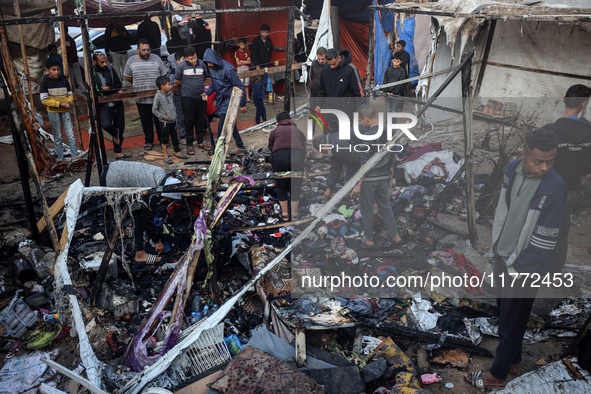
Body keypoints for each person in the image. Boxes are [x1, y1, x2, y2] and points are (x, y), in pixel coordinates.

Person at [464, 128, 566, 390]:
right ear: (523, 154)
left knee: (513, 321)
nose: (544, 167)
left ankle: (498, 374)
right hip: (503, 255)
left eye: (550, 161)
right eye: (538, 161)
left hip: (525, 266)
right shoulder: (511, 171)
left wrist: (520, 269)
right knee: (506, 312)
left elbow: (546, 239)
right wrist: (499, 250)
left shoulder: (554, 187)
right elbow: (505, 211)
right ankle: (513, 361)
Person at [542, 84, 591, 273]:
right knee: (561, 233)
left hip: (546, 187)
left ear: (564, 99)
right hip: (570, 189)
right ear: (584, 104)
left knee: (537, 226)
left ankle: (531, 268)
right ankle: (554, 273)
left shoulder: (549, 130)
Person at [100, 161, 185, 264]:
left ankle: (123, 232)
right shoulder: (151, 190)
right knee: (138, 215)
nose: (167, 200)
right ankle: (139, 254)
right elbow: (147, 218)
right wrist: (156, 241)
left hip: (113, 168)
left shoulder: (160, 174)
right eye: (168, 198)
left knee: (136, 209)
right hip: (112, 179)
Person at [350, 104, 401, 247]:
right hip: (383, 177)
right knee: (385, 206)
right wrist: (391, 166)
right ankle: (396, 236)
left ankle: (369, 240)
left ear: (366, 119)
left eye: (361, 121)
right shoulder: (389, 131)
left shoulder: (367, 136)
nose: (361, 124)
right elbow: (394, 150)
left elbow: (365, 162)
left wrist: (358, 184)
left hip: (369, 178)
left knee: (366, 209)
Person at [124, 38, 167, 151]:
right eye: (144, 50)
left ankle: (164, 141)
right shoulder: (131, 60)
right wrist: (137, 85)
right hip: (141, 99)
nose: (147, 52)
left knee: (160, 121)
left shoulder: (156, 58)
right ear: (138, 50)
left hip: (157, 98)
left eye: (148, 50)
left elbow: (164, 75)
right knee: (146, 121)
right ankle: (149, 141)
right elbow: (127, 76)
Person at [202, 48, 247, 154]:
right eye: (207, 62)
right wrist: (207, 93)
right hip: (220, 99)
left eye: (209, 62)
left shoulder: (228, 69)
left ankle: (218, 150)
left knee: (222, 125)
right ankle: (240, 145)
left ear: (214, 60)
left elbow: (239, 86)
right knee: (230, 124)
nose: (208, 65)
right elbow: (214, 83)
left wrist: (242, 104)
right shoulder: (213, 68)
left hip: (230, 99)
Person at [268, 112, 307, 221]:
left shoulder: (275, 131)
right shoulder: (298, 130)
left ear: (277, 122)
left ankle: (285, 214)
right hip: (297, 156)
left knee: (281, 186)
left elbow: (271, 147)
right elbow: (304, 146)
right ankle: (294, 214)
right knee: (295, 186)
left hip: (279, 157)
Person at [316, 48, 364, 133]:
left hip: (346, 111)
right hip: (330, 109)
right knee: (329, 137)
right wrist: (318, 104)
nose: (332, 66)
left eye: (333, 64)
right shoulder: (326, 69)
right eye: (329, 64)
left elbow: (359, 93)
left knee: (345, 139)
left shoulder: (350, 69)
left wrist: (359, 111)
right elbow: (322, 89)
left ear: (339, 58)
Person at [40, 58, 78, 160]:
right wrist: (60, 104)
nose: (56, 72)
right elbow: (44, 100)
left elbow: (70, 95)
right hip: (53, 112)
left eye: (58, 69)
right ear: (47, 70)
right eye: (53, 69)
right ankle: (61, 159)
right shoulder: (44, 82)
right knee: (58, 137)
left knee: (71, 135)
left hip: (65, 111)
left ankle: (75, 158)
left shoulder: (64, 80)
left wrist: (68, 102)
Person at [92, 53, 128, 160]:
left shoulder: (110, 69)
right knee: (106, 124)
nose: (104, 64)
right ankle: (114, 133)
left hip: (117, 104)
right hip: (104, 106)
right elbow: (96, 90)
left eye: (105, 61)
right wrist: (109, 90)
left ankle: (118, 152)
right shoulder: (92, 73)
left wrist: (108, 88)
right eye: (101, 62)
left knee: (120, 126)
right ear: (95, 62)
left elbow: (118, 84)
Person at [174, 46, 209, 155]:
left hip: (201, 97)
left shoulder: (202, 64)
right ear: (185, 58)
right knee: (188, 121)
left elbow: (205, 77)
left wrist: (198, 86)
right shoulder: (181, 66)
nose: (193, 60)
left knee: (200, 120)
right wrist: (186, 85)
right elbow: (176, 80)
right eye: (191, 59)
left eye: (194, 57)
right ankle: (189, 144)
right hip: (187, 97)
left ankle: (200, 141)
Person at [313, 132, 360, 200]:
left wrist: (359, 182)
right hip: (352, 161)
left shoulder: (340, 146)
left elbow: (361, 160)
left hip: (364, 158)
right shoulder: (332, 147)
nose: (322, 152)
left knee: (365, 183)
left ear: (324, 147)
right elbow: (335, 168)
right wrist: (329, 188)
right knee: (348, 183)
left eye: (321, 150)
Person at [152, 76, 186, 164]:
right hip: (165, 122)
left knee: (175, 137)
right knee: (165, 138)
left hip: (172, 120)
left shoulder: (170, 93)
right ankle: (165, 155)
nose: (171, 86)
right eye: (168, 84)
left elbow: (172, 104)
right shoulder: (158, 96)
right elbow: (154, 110)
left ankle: (177, 151)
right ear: (162, 87)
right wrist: (163, 116)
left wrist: (174, 113)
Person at [104, 21, 131, 88]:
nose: (116, 22)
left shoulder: (122, 28)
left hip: (124, 52)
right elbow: (106, 42)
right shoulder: (109, 29)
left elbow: (130, 38)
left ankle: (127, 83)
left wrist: (125, 35)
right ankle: (119, 84)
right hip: (115, 52)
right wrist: (108, 54)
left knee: (125, 68)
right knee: (116, 69)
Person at [169, 51, 186, 145]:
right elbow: (172, 83)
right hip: (178, 95)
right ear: (178, 61)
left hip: (187, 94)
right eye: (183, 59)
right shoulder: (173, 71)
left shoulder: (186, 69)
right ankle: (182, 136)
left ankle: (189, 133)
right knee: (180, 115)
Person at [63, 26, 84, 91]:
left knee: (77, 77)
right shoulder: (64, 40)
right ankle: (73, 90)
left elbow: (73, 51)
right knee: (71, 77)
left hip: (72, 61)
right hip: (69, 62)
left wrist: (71, 61)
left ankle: (83, 90)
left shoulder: (70, 40)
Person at [308, 47, 327, 112]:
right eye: (319, 59)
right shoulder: (314, 64)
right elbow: (311, 77)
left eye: (323, 59)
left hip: (325, 92)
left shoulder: (329, 65)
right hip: (315, 91)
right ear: (317, 55)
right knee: (313, 108)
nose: (320, 61)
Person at [234, 37, 251, 102]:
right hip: (240, 70)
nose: (243, 46)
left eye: (244, 45)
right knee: (240, 85)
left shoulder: (247, 52)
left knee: (246, 85)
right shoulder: (237, 52)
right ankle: (239, 98)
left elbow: (249, 62)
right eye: (241, 45)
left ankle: (247, 98)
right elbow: (238, 63)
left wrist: (242, 61)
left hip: (246, 70)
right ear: (238, 44)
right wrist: (244, 61)